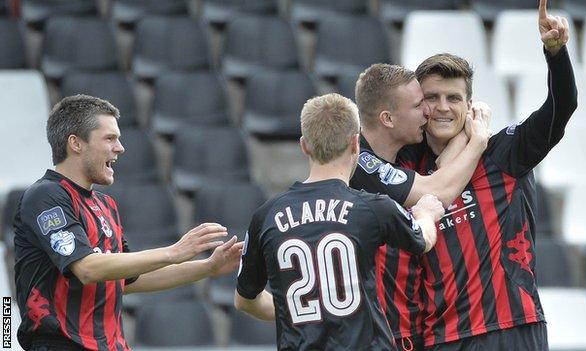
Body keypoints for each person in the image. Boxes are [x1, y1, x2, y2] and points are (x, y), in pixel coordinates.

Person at [406, 0, 576, 349]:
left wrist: (556, 55)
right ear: (420, 105)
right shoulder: (407, 171)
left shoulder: (504, 152)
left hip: (512, 328)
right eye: (432, 97)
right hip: (442, 337)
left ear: (469, 106)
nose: (442, 107)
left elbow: (561, 109)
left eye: (453, 97)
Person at [13, 94, 244, 351]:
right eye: (110, 138)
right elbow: (87, 268)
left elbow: (129, 280)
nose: (120, 147)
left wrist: (208, 267)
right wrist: (174, 252)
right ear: (76, 143)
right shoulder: (46, 196)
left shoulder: (106, 205)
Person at [234, 93, 445, 350]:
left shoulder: (265, 216)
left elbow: (245, 300)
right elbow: (423, 239)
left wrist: (300, 310)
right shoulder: (372, 207)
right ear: (356, 144)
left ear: (304, 146)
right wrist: (425, 213)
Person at [349, 61, 491, 349]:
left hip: (407, 329)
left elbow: (437, 175)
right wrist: (476, 140)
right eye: (418, 105)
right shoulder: (358, 163)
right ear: (388, 119)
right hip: (370, 335)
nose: (428, 111)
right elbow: (435, 192)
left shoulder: (402, 155)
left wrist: (461, 135)